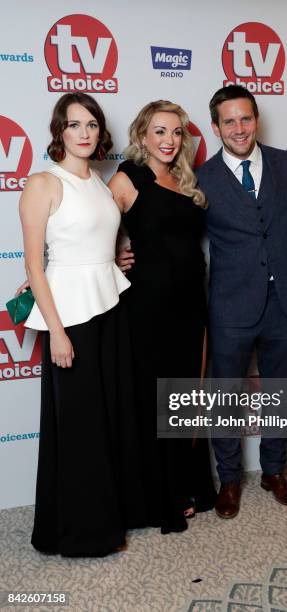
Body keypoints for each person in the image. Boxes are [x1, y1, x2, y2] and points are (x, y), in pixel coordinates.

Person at [20, 92, 138, 557]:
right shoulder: (43, 183)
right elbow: (34, 264)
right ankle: (80, 533)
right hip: (70, 317)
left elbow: (98, 239)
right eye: (75, 125)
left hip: (110, 308)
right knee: (78, 427)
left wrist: (118, 254)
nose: (85, 133)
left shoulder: (101, 183)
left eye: (92, 124)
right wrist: (57, 332)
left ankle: (106, 516)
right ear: (60, 131)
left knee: (106, 420)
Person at [109, 100, 216, 534]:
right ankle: (161, 496)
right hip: (148, 306)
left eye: (175, 132)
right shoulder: (127, 177)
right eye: (159, 131)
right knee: (156, 396)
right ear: (141, 136)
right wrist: (112, 253)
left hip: (191, 301)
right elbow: (89, 226)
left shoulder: (185, 180)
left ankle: (188, 484)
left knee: (188, 391)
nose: (169, 141)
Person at [196, 85, 287, 518]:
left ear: (256, 119)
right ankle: (230, 479)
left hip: (284, 301)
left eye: (246, 118)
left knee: (279, 390)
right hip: (229, 303)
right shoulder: (200, 177)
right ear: (216, 126)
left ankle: (273, 471)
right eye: (229, 121)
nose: (239, 128)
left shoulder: (285, 162)